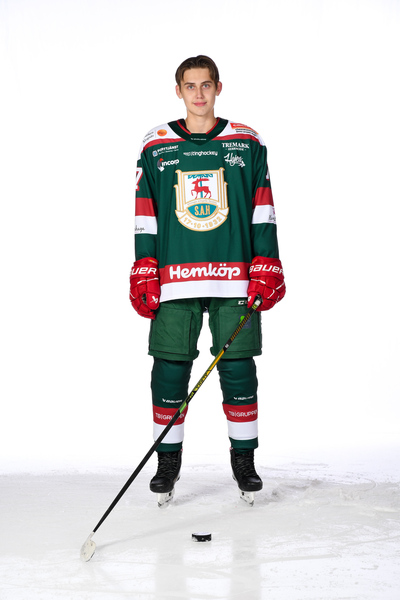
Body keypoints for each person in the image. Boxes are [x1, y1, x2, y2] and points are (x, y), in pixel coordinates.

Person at [130, 55, 285, 505]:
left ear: (218, 87)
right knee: (168, 370)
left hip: (234, 277)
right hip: (174, 277)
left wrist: (266, 262)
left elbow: (262, 206)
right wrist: (144, 265)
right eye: (190, 86)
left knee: (238, 369)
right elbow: (146, 211)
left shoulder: (246, 141)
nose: (198, 94)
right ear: (178, 91)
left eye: (205, 85)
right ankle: (167, 462)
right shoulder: (156, 144)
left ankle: (244, 460)